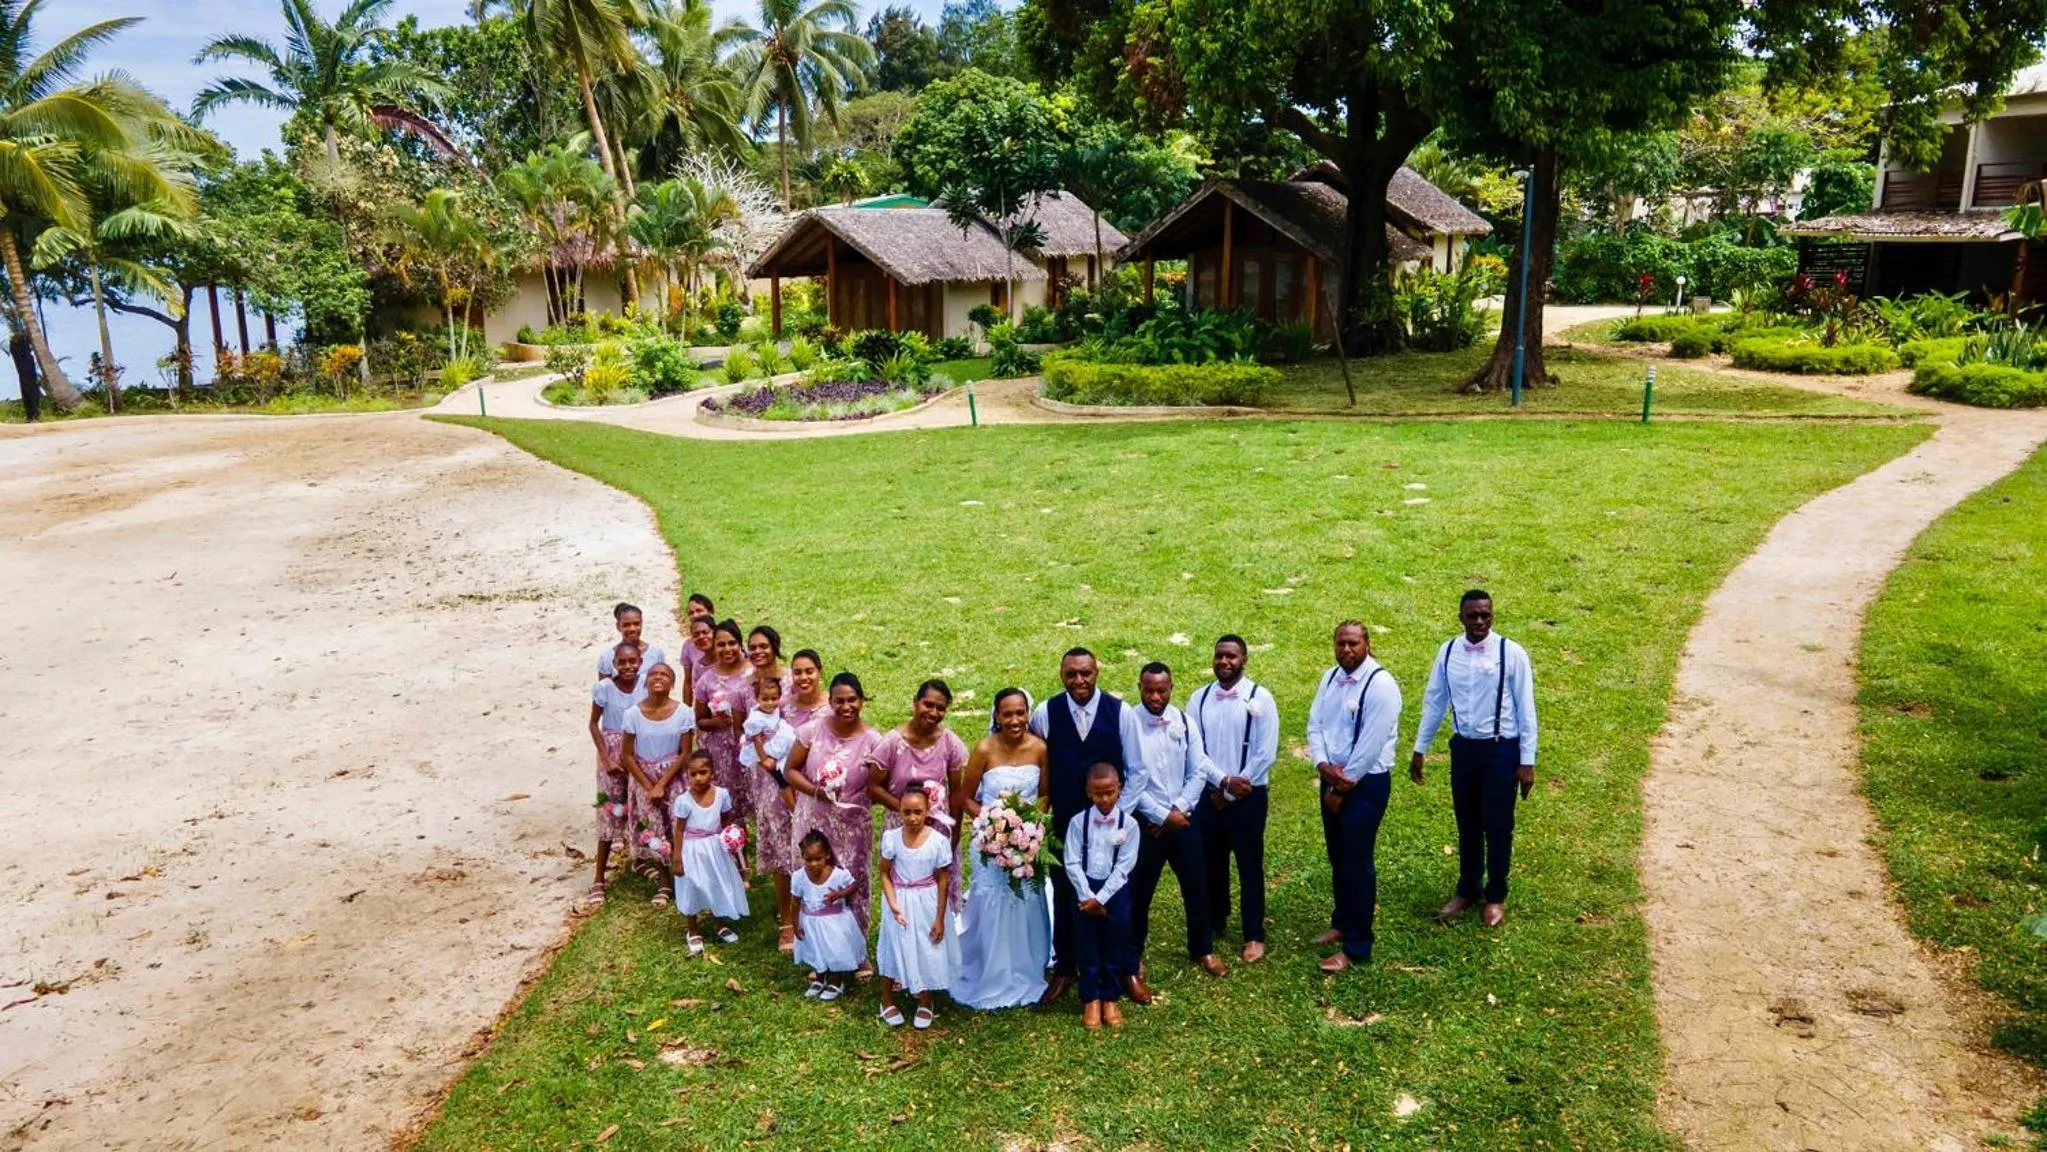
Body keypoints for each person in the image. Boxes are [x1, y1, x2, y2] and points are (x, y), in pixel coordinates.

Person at [1410, 589, 1540, 928]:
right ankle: (1468, 887)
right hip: (1464, 748)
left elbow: (1527, 709)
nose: (1480, 621)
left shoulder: (1510, 653)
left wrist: (1527, 761)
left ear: (1492, 615)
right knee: (1467, 821)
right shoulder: (1448, 651)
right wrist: (1419, 749)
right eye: (1473, 616)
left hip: (1501, 748)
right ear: (1461, 617)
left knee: (1498, 825)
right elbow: (1435, 701)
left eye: (1485, 615)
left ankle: (1495, 894)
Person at [1029, 648, 1144, 1004]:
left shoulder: (1120, 712)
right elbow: (1036, 764)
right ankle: (1066, 968)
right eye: (1071, 674)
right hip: (1065, 823)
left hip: (1113, 825)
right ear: (1061, 675)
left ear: (1097, 672)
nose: (1079, 681)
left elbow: (1137, 770)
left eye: (1086, 673)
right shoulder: (1046, 713)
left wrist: (1115, 817)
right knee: (1067, 895)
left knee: (1120, 897)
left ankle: (1125, 969)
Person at [1306, 621, 1404, 973]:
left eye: (1353, 644)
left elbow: (1371, 745)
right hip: (1332, 777)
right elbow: (1314, 724)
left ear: (1367, 644)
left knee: (1358, 861)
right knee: (1338, 855)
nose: (1346, 650)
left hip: (1365, 784)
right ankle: (1342, 920)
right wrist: (1321, 764)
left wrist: (1342, 785)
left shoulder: (1381, 686)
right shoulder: (1329, 678)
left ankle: (1357, 945)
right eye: (1340, 643)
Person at [1125, 662, 1227, 995]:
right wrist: (1158, 815)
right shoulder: (1128, 726)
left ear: (1171, 688)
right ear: (1139, 687)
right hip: (1148, 824)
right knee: (1140, 892)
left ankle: (1203, 947)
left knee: (1197, 886)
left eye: (1162, 690)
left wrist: (1179, 810)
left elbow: (1198, 770)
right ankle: (1134, 956)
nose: (1156, 696)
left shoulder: (1184, 721)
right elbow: (1128, 780)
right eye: (1149, 690)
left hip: (1183, 819)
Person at [952, 687, 1052, 1010]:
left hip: (1027, 843)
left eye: (1020, 713)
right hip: (989, 843)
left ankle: (1026, 965)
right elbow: (966, 797)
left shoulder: (1039, 749)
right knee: (995, 902)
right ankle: (992, 969)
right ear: (996, 716)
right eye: (1007, 714)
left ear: (1028, 713)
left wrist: (1030, 825)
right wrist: (990, 825)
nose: (1014, 720)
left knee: (1025, 900)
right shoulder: (984, 749)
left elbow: (1045, 795)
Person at [1188, 634, 1280, 963]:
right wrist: (1220, 782)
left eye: (1232, 656)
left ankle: (1254, 933)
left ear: (1244, 660)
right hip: (1210, 795)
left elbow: (1265, 752)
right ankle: (1217, 918)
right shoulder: (1198, 699)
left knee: (1249, 864)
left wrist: (1232, 789)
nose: (1224, 662)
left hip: (1249, 795)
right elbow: (1194, 751)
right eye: (1219, 656)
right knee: (1211, 860)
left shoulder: (1261, 698)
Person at [785, 673, 884, 934]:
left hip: (852, 826)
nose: (846, 706)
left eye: (852, 700)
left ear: (862, 701)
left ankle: (855, 946)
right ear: (829, 702)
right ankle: (816, 944)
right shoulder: (811, 731)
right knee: (814, 879)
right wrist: (815, 791)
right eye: (839, 701)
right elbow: (790, 770)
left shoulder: (875, 741)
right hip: (814, 819)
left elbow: (878, 786)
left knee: (852, 880)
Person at [867, 680, 969, 910]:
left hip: (938, 827)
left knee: (938, 886)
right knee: (906, 888)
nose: (934, 713)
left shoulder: (950, 743)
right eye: (928, 705)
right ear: (915, 702)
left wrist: (954, 835)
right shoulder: (892, 743)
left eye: (940, 708)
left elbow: (956, 793)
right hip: (902, 825)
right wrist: (908, 810)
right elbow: (873, 787)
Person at [1063, 763, 1140, 1030]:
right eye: (1098, 794)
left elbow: (1125, 866)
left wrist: (1103, 898)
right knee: (1087, 944)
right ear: (1088, 792)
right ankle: (1091, 998)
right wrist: (1087, 896)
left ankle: (1110, 996)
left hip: (1115, 891)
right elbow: (1071, 861)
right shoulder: (1078, 822)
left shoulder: (1129, 824)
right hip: (1084, 890)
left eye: (1109, 792)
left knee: (1114, 942)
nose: (1104, 799)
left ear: (1119, 788)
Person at [876, 788, 957, 1030]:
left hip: (927, 900)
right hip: (899, 898)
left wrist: (940, 917)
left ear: (928, 811)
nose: (912, 818)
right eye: (906, 812)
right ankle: (886, 998)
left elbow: (943, 879)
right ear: (899, 811)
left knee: (925, 946)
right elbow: (884, 872)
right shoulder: (891, 838)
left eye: (918, 812)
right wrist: (893, 904)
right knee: (893, 944)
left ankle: (925, 997)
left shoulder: (938, 841)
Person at [621, 664, 695, 907]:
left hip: (674, 777)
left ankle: (683, 874)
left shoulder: (684, 712)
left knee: (678, 825)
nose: (658, 678)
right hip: (644, 778)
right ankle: (664, 882)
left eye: (664, 675)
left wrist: (662, 783)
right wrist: (648, 785)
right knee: (653, 828)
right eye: (653, 674)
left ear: (672, 683)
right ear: (645, 681)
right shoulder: (632, 714)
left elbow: (685, 753)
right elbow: (628, 755)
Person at [585, 643, 647, 908]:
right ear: (614, 664)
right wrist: (606, 758)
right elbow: (593, 724)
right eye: (622, 663)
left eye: (633, 661)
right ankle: (599, 876)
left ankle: (641, 858)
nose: (628, 667)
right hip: (611, 751)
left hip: (638, 750)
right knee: (609, 810)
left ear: (640, 662)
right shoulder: (604, 689)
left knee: (638, 806)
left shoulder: (646, 683)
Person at [671, 750, 748, 955]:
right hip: (693, 849)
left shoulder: (721, 794)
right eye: (693, 774)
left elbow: (725, 820)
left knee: (717, 883)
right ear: (688, 775)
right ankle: (693, 929)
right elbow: (679, 831)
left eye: (703, 772)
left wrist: (730, 840)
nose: (698, 778)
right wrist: (677, 858)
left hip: (715, 847)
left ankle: (719, 922)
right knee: (693, 886)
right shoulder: (684, 801)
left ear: (712, 772)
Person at [692, 620, 758, 833]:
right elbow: (699, 719)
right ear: (714, 646)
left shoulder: (754, 674)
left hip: (752, 744)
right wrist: (715, 722)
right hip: (721, 749)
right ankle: (734, 838)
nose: (727, 649)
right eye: (721, 645)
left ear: (740, 644)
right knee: (729, 792)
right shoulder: (707, 680)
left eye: (732, 643)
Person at [791, 830, 864, 1002]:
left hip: (835, 922)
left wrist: (839, 894)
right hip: (810, 922)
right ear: (802, 857)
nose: (814, 864)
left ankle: (836, 981)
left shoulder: (838, 874)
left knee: (835, 951)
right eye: (809, 859)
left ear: (827, 855)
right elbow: (795, 903)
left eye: (818, 859)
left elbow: (854, 885)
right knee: (816, 949)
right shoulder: (799, 877)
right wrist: (795, 924)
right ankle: (820, 978)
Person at [598, 602, 665, 679]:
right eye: (626, 625)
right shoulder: (607, 658)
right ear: (618, 626)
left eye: (636, 624)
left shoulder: (656, 654)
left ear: (642, 624)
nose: (632, 629)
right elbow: (603, 689)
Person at [780, 649, 830, 733]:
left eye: (809, 672)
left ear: (820, 673)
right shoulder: (784, 706)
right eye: (797, 673)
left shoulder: (832, 706)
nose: (803, 677)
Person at [679, 615, 715, 703]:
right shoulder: (699, 667)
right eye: (696, 635)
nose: (701, 637)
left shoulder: (727, 659)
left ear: (715, 633)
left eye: (705, 632)